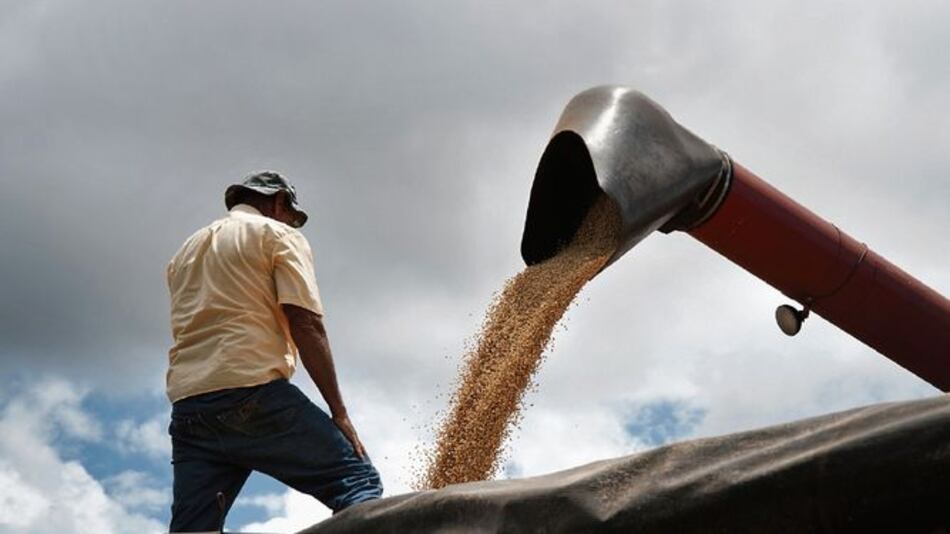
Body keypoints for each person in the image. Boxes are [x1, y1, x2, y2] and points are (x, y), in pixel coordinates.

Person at [165, 171, 382, 532]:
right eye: (290, 214)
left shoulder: (184, 253)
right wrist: (339, 413)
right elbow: (305, 322)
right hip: (252, 395)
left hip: (190, 410)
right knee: (357, 480)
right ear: (278, 201)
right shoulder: (275, 235)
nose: (290, 222)